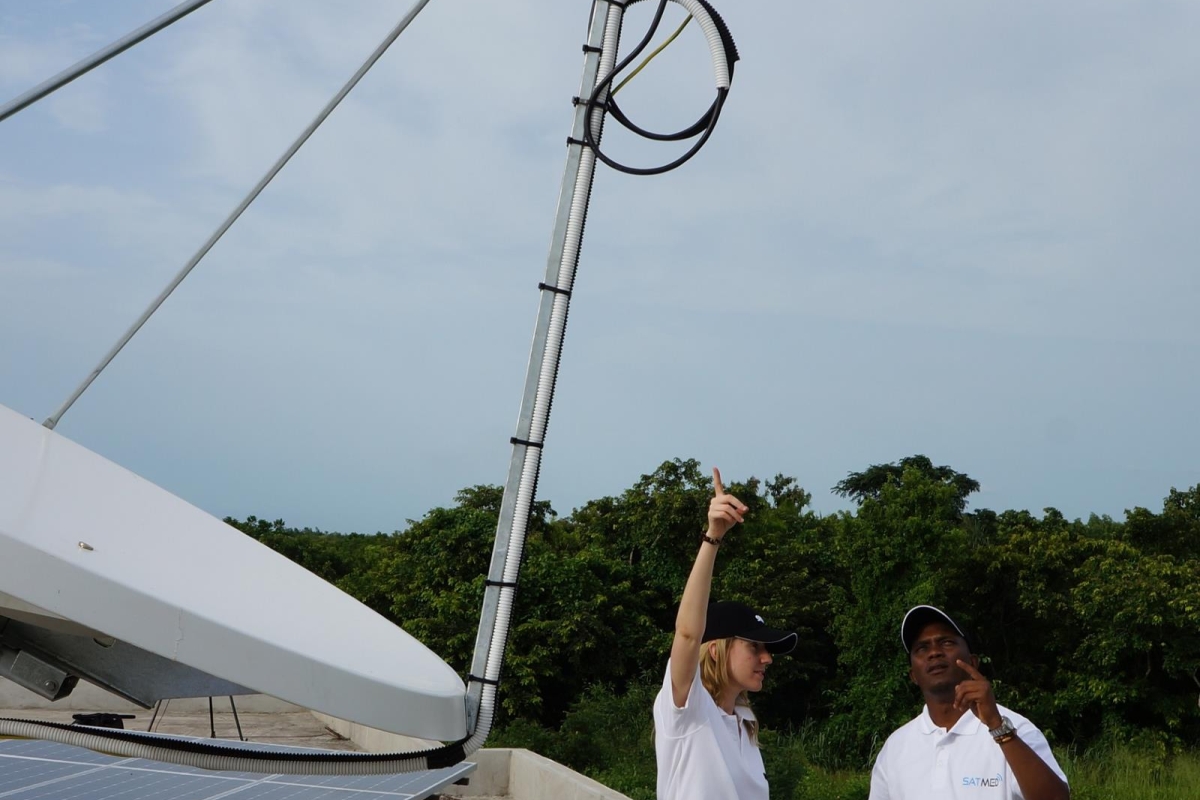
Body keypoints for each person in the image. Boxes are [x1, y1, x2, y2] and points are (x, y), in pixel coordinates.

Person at [653, 467, 797, 800]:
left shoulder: (744, 725)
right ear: (716, 649)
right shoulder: (687, 710)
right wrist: (713, 536)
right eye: (754, 647)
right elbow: (688, 634)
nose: (767, 658)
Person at [869, 605, 1070, 800]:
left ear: (973, 662)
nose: (934, 652)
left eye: (946, 642)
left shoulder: (1016, 730)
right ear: (913, 675)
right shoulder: (895, 748)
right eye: (922, 648)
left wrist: (997, 727)